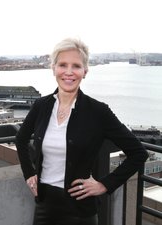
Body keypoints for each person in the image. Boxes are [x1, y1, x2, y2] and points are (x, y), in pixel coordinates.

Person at [15, 38, 149, 225]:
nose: (69, 72)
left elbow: (138, 153)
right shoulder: (41, 106)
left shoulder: (98, 111)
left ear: (85, 71)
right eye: (62, 65)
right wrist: (29, 173)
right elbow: (20, 140)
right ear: (53, 68)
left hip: (79, 211)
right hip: (44, 205)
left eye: (76, 66)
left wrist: (105, 184)